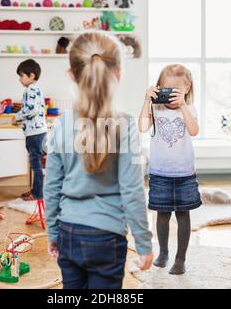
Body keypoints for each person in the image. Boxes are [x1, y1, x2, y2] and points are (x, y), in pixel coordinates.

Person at [44, 32, 153, 289]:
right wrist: (144, 242)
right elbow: (132, 190)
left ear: (72, 75)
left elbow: (51, 187)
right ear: (118, 73)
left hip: (69, 231)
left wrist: (52, 232)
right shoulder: (125, 126)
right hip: (108, 236)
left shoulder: (60, 126)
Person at [138, 64, 202, 275]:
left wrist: (183, 106)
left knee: (183, 215)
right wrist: (147, 100)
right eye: (166, 90)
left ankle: (180, 258)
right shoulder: (156, 108)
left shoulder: (189, 109)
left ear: (187, 88)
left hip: (184, 173)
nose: (171, 95)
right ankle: (163, 252)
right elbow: (142, 127)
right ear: (159, 87)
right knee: (162, 215)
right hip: (159, 172)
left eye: (177, 91)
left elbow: (194, 131)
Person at [15, 59, 47, 202]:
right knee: (36, 164)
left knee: (36, 165)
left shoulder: (31, 89)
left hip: (35, 134)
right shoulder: (35, 89)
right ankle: (36, 190)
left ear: (31, 76)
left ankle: (38, 193)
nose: (20, 79)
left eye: (22, 75)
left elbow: (32, 109)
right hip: (36, 132)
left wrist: (17, 117)